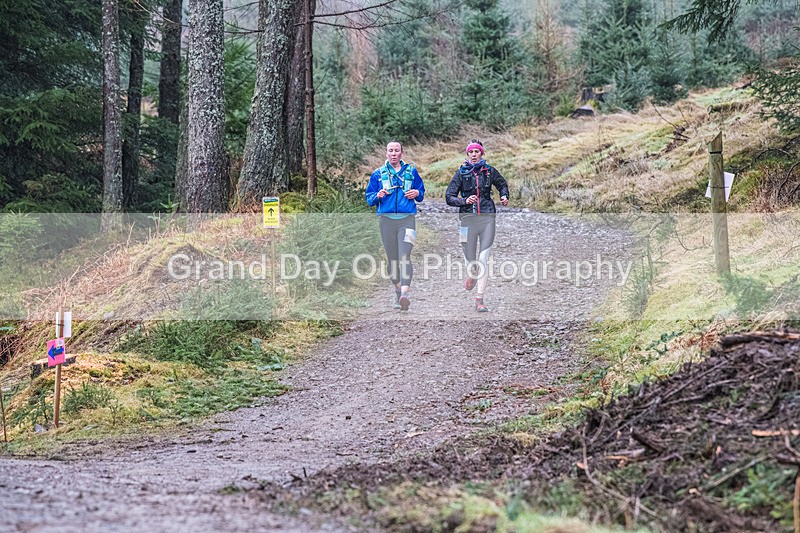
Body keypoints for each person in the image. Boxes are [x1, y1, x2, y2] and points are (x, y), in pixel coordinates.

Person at [445, 139, 509, 312]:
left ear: (482, 153)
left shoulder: (489, 171)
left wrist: (504, 196)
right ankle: (472, 275)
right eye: (471, 152)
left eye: (477, 152)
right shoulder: (460, 173)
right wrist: (464, 200)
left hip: (488, 217)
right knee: (470, 260)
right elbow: (449, 197)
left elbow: (502, 184)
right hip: (467, 220)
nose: (474, 155)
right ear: (467, 155)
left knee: (483, 259)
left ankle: (480, 298)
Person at [365, 141, 425, 311]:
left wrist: (417, 193)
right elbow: (369, 198)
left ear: (402, 153)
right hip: (386, 221)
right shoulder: (378, 174)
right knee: (392, 259)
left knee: (404, 256)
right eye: (390, 151)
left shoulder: (411, 172)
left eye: (396, 151)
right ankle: (398, 290)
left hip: (407, 220)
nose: (393, 154)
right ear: (386, 153)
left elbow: (421, 193)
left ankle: (405, 294)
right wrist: (377, 195)